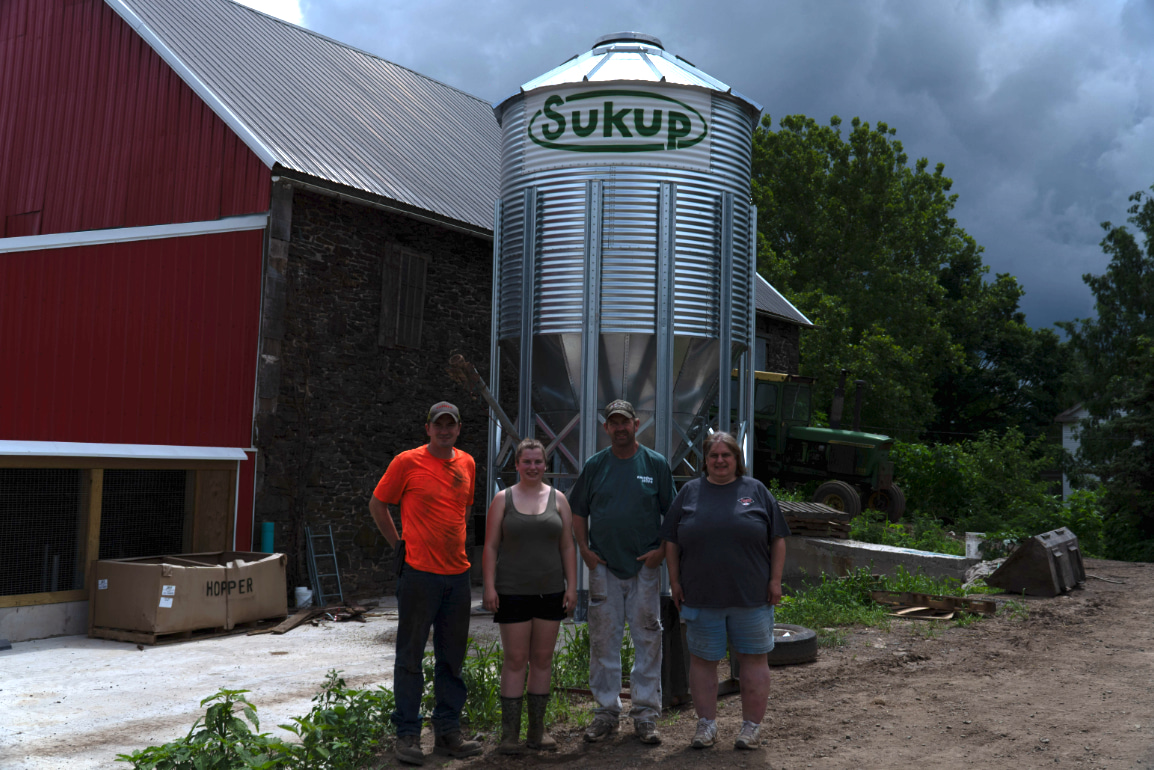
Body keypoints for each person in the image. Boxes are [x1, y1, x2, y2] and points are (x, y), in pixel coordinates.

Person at [368, 401, 483, 766]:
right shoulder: (407, 462)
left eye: (451, 425)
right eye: (439, 425)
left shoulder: (467, 463)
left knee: (451, 659)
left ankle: (448, 731)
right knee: (411, 657)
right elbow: (377, 504)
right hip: (418, 574)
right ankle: (407, 734)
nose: (445, 431)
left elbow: (463, 509)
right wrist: (399, 545)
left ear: (459, 429)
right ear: (428, 428)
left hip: (457, 576)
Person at [661, 431, 789, 751]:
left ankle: (751, 728)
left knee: (753, 660)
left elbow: (778, 539)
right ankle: (706, 726)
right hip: (701, 596)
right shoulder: (689, 492)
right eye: (713, 455)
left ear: (737, 460)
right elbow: (672, 542)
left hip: (752, 597)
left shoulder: (756, 491)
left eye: (726, 455)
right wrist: (674, 582)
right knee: (703, 662)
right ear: (704, 460)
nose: (720, 460)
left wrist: (775, 581)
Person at [570, 399, 675, 745]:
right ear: (606, 428)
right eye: (613, 423)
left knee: (648, 638)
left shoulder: (655, 464)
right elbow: (578, 511)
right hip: (603, 568)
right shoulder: (596, 466)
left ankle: (645, 714)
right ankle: (606, 712)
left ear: (636, 423)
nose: (619, 428)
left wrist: (660, 552)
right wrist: (584, 550)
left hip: (644, 569)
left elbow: (671, 515)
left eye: (625, 422)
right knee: (603, 641)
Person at [481, 437, 578, 754]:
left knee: (542, 659)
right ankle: (510, 736)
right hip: (511, 592)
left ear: (545, 465)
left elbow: (567, 546)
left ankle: (537, 731)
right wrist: (490, 586)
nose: (533, 466)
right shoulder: (503, 499)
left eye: (538, 462)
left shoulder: (559, 500)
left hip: (550, 591)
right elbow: (491, 546)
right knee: (515, 660)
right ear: (517, 465)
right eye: (527, 461)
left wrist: (572, 586)